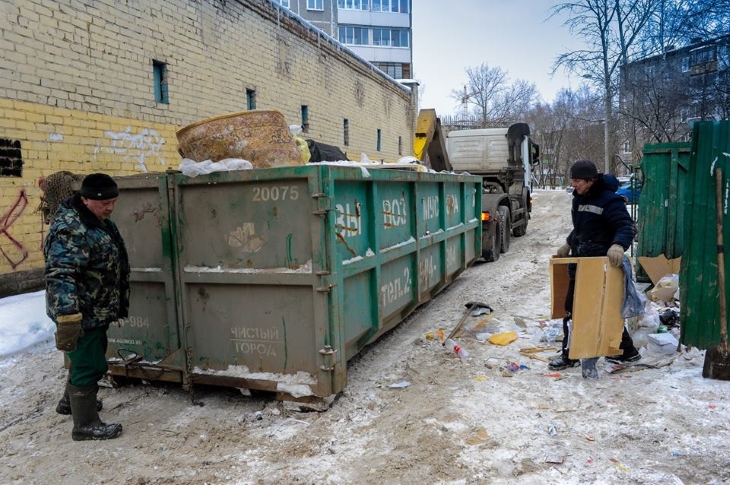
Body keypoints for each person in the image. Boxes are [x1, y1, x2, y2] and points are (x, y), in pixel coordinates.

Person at [44, 173, 130, 441]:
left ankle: (70, 403)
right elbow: (61, 274)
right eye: (106, 203)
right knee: (90, 364)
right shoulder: (72, 228)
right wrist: (69, 316)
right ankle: (85, 425)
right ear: (86, 199)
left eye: (114, 202)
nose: (110, 208)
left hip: (95, 307)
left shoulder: (94, 220)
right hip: (81, 311)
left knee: (83, 359)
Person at [550, 160, 641, 371]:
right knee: (575, 309)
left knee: (598, 310)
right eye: (572, 180)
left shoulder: (610, 200)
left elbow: (625, 226)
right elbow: (583, 229)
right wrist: (568, 243)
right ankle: (625, 352)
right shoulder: (579, 199)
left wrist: (618, 245)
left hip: (602, 266)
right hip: (582, 263)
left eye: (578, 181)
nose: (574, 185)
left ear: (591, 181)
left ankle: (572, 355)